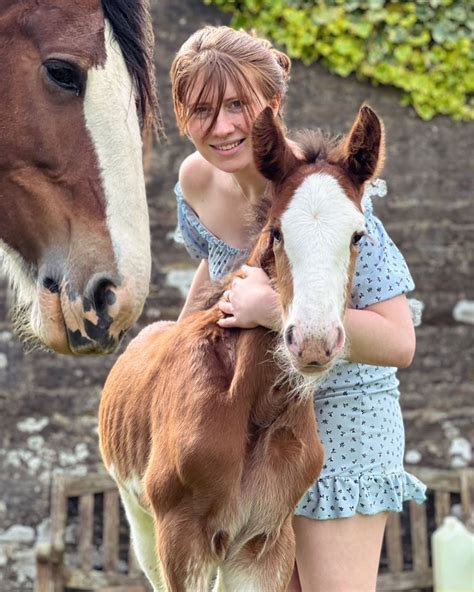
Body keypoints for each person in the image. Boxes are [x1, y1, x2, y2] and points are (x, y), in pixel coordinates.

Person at [169, 25, 426, 592]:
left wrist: (270, 311)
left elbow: (399, 340)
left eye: (239, 104)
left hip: (341, 419)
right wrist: (171, 345)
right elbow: (216, 268)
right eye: (202, 109)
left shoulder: (322, 194)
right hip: (253, 429)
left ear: (272, 108)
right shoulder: (196, 182)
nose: (222, 126)